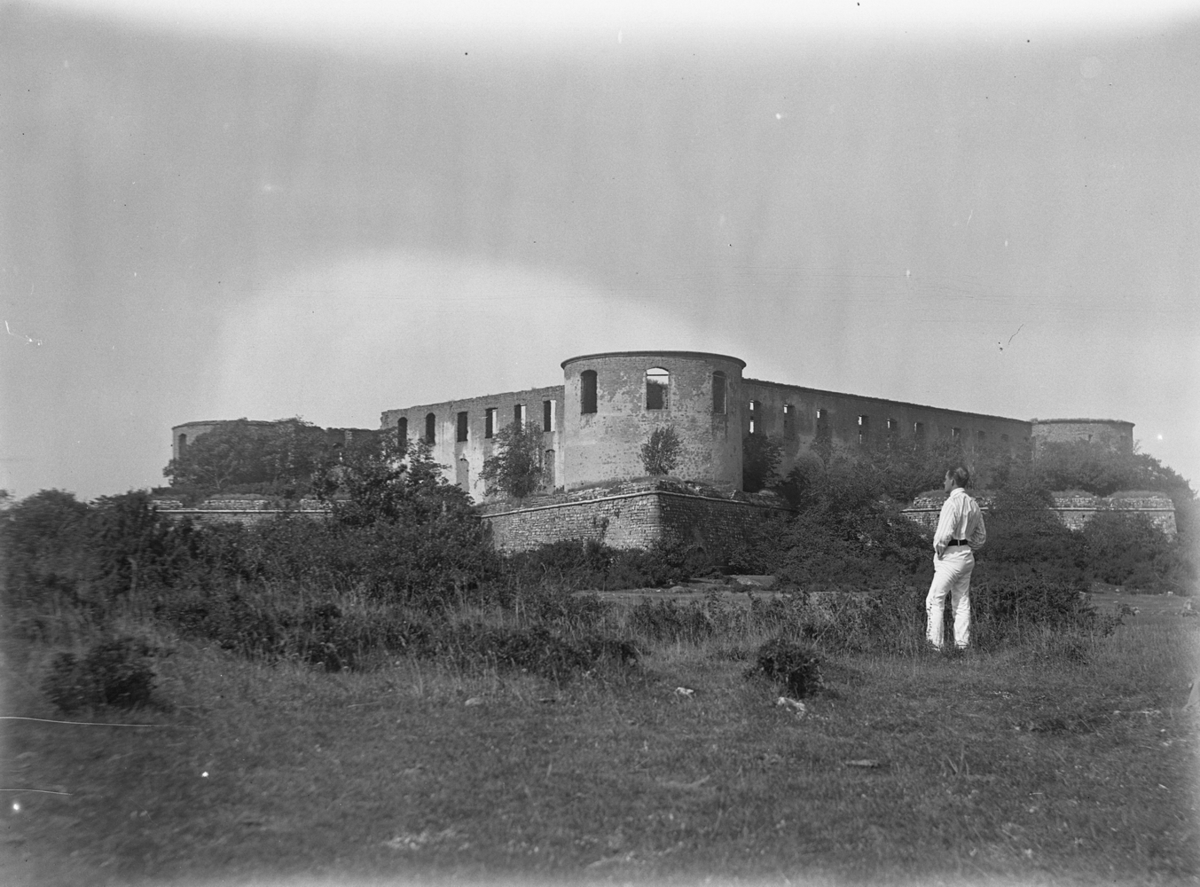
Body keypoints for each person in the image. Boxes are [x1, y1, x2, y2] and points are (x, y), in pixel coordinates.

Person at [926, 466, 987, 650]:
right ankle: (962, 645)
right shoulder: (973, 504)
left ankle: (935, 647)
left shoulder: (951, 503)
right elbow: (981, 536)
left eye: (946, 478)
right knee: (961, 602)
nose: (943, 482)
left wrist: (940, 551)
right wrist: (967, 548)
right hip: (966, 555)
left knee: (934, 600)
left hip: (950, 556)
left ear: (952, 480)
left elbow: (942, 536)